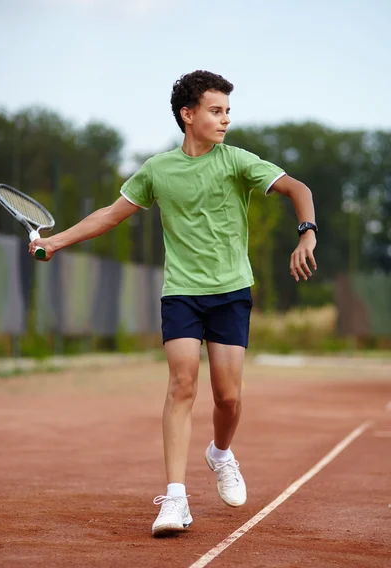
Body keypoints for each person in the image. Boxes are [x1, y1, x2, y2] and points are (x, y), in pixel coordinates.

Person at [29, 70, 317, 537]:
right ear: (188, 115)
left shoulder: (238, 161)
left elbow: (297, 189)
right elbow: (109, 215)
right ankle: (176, 498)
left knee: (228, 396)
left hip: (231, 292)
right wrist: (55, 242)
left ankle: (221, 454)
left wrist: (307, 234)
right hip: (182, 292)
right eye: (215, 110)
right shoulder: (157, 170)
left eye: (227, 111)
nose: (225, 120)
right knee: (182, 384)